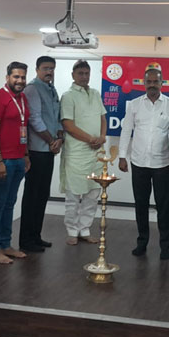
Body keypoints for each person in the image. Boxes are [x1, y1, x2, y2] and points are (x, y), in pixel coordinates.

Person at [118, 67, 169, 260]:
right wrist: (122, 156)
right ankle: (141, 242)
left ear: (162, 83)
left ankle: (165, 247)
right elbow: (126, 130)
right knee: (141, 204)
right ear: (144, 83)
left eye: (156, 82)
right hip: (139, 163)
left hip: (162, 163)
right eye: (149, 82)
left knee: (163, 206)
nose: (152, 85)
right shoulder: (134, 105)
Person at [0, 62, 32, 264]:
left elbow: (24, 128)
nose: (20, 80)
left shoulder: (22, 98)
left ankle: (6, 244)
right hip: (3, 159)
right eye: (16, 77)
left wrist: (26, 154)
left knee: (9, 203)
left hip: (19, 159)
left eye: (23, 77)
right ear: (7, 78)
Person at [59, 59, 107, 245]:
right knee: (73, 195)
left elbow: (103, 118)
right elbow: (68, 125)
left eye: (87, 73)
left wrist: (101, 137)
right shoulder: (68, 96)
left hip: (96, 153)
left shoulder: (95, 94)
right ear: (73, 75)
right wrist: (90, 139)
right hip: (77, 152)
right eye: (80, 73)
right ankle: (72, 230)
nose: (84, 77)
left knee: (93, 194)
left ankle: (84, 229)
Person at [20, 55, 63, 253]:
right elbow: (35, 119)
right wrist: (51, 141)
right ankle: (26, 240)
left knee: (43, 195)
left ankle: (36, 236)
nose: (49, 72)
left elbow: (57, 118)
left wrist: (59, 138)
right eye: (45, 68)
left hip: (48, 150)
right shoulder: (32, 89)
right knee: (32, 196)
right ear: (37, 69)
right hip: (37, 150)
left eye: (52, 68)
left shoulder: (51, 89)